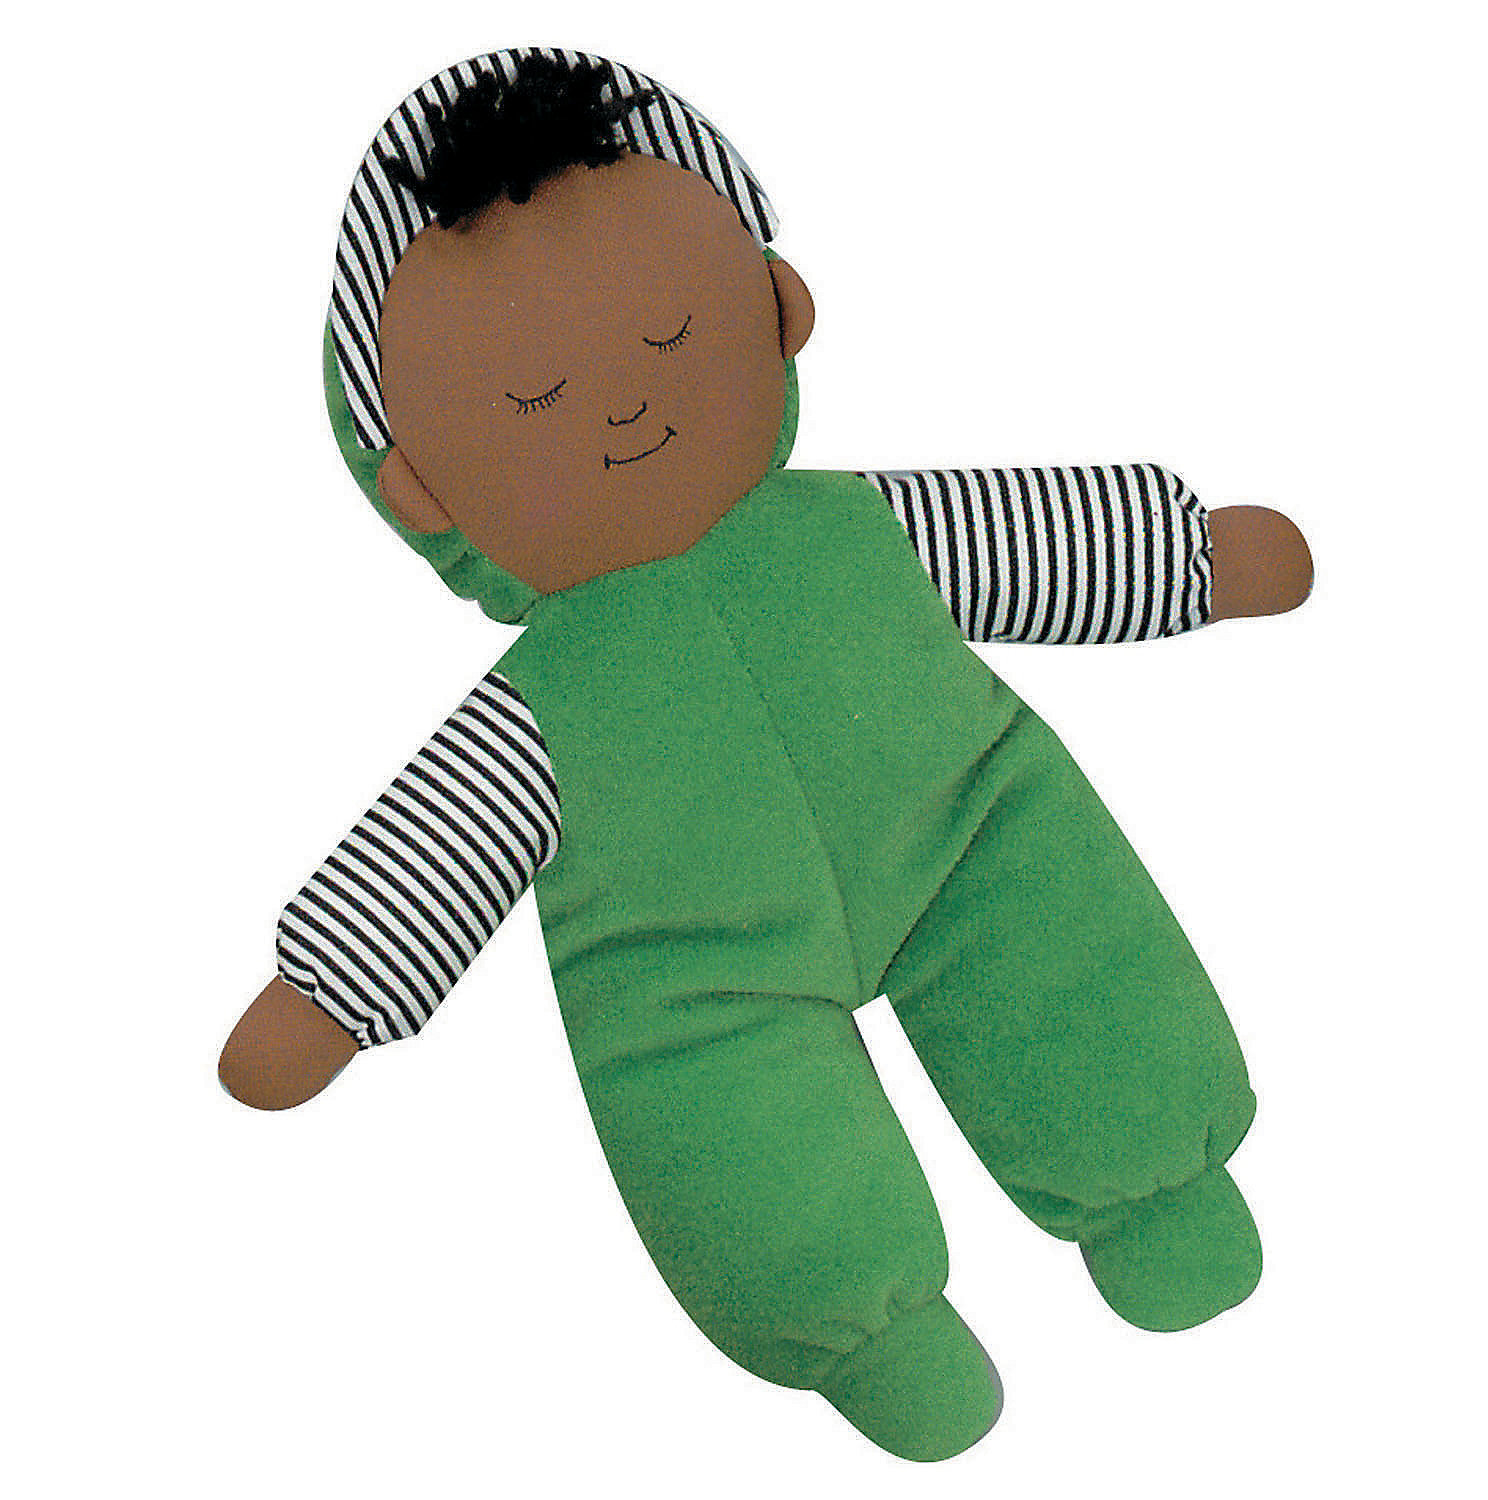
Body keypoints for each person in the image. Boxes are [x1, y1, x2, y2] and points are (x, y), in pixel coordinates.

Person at [220, 49, 1313, 1461]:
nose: (625, 405)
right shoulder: (545, 706)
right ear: (418, 488)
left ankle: (1156, 1184)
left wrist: (1191, 557)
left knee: (1062, 940)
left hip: (963, 834)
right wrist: (335, 987)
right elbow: (438, 842)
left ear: (778, 311)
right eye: (536, 397)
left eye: (671, 336)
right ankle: (864, 1331)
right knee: (737, 1147)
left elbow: (1030, 536)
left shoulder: (864, 532)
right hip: (700, 967)